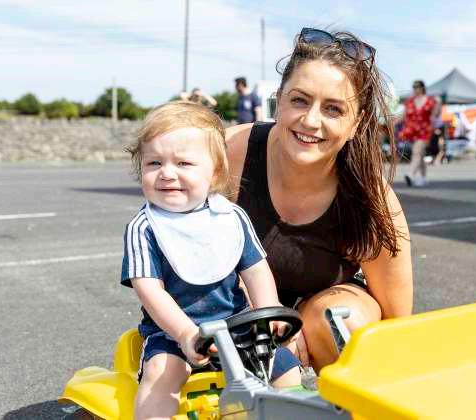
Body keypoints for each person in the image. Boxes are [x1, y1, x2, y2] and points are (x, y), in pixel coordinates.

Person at [225, 28, 413, 373]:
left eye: (333, 109)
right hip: (234, 303)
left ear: (357, 124)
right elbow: (177, 249)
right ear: (279, 100)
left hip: (322, 305)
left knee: (342, 321)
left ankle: (339, 395)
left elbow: (397, 321)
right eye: (299, 100)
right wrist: (269, 320)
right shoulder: (226, 154)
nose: (311, 121)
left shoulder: (372, 198)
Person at [121, 101, 300, 419]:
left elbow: (256, 270)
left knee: (284, 365)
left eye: (183, 163)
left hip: (237, 325)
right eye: (153, 163)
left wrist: (269, 310)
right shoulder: (145, 227)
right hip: (172, 334)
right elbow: (150, 290)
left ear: (215, 171)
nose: (167, 173)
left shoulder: (230, 217)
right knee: (162, 373)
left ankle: (288, 412)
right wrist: (185, 334)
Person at [401, 80, 440, 187]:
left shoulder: (430, 100)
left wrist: (438, 104)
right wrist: (392, 122)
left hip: (425, 131)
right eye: (414, 87)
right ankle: (423, 177)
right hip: (412, 132)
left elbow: (435, 115)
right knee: (420, 155)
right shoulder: (409, 101)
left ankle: (411, 174)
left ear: (422, 88)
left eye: (417, 87)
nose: (415, 89)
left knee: (416, 152)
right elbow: (404, 116)